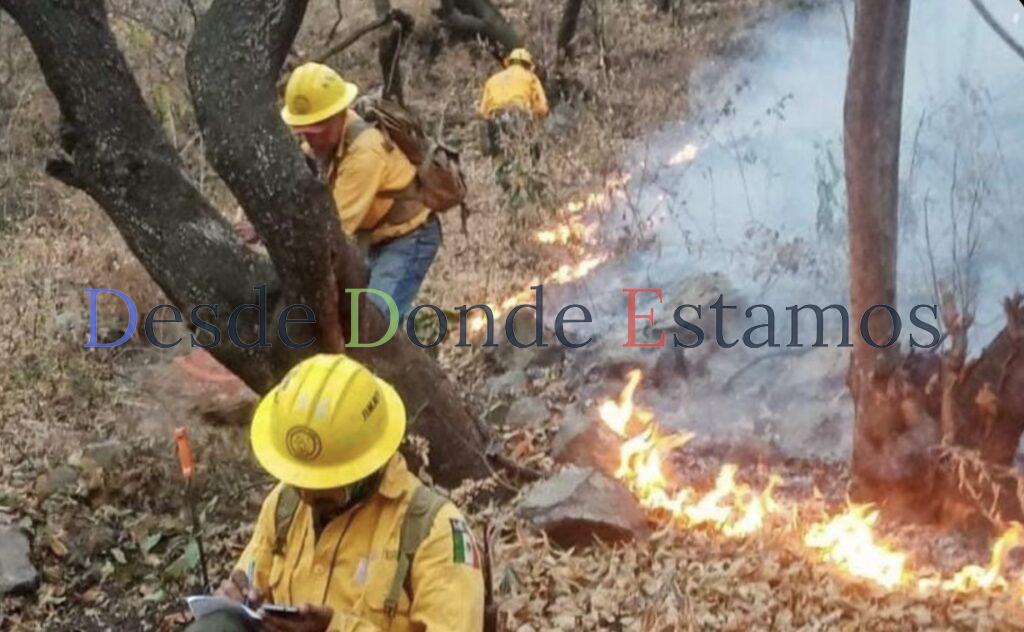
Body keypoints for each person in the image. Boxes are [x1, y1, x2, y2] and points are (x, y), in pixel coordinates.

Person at [187, 354, 485, 632]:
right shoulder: (284, 505)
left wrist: (336, 627)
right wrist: (237, 600)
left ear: (367, 466)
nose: (304, 495)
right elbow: (251, 582)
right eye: (298, 480)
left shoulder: (434, 532)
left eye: (322, 487)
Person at [281, 62, 441, 319]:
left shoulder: (365, 153)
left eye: (315, 132)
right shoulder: (323, 144)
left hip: (409, 238)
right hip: (373, 238)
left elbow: (332, 232)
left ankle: (413, 346)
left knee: (374, 321)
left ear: (337, 115)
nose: (309, 141)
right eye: (303, 133)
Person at [477, 49, 549, 212]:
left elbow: (482, 112)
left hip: (495, 119)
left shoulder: (492, 80)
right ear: (528, 65)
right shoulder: (531, 78)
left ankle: (507, 197)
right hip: (519, 117)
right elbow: (543, 109)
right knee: (528, 156)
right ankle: (527, 196)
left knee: (501, 161)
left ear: (509, 62)